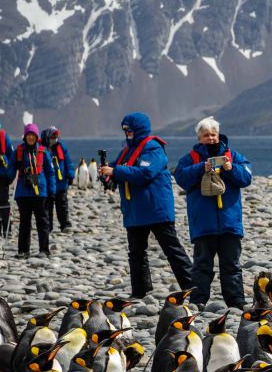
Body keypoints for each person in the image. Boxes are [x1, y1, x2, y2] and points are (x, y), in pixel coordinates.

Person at [101, 112, 194, 299]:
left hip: (155, 209)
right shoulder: (127, 150)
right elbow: (117, 167)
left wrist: (116, 171)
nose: (127, 133)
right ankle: (140, 292)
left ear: (138, 128)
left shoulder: (153, 148)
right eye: (125, 130)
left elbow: (145, 172)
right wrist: (107, 173)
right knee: (136, 252)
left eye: (129, 129)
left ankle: (194, 288)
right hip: (135, 210)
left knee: (172, 250)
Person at [173, 117, 252, 308]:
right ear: (199, 137)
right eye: (206, 135)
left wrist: (231, 169)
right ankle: (198, 301)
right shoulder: (190, 159)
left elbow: (247, 177)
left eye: (213, 134)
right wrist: (201, 168)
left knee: (231, 265)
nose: (211, 138)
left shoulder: (233, 156)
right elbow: (181, 177)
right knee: (201, 265)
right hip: (204, 223)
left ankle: (236, 301)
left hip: (229, 222)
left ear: (219, 135)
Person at [13, 124, 56, 258]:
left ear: (36, 137)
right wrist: (6, 180)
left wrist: (52, 191)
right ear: (25, 137)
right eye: (28, 135)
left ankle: (44, 249)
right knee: (24, 222)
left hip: (40, 192)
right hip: (23, 192)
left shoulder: (44, 152)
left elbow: (50, 173)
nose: (30, 137)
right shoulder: (19, 151)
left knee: (42, 221)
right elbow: (10, 169)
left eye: (33, 135)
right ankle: (23, 250)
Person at [41, 126, 74, 233]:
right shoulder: (41, 148)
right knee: (47, 206)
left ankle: (65, 224)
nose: (55, 139)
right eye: (53, 137)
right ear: (48, 137)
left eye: (56, 137)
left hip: (61, 182)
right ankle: (48, 226)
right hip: (47, 183)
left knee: (62, 205)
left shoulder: (61, 147)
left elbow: (68, 162)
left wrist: (71, 174)